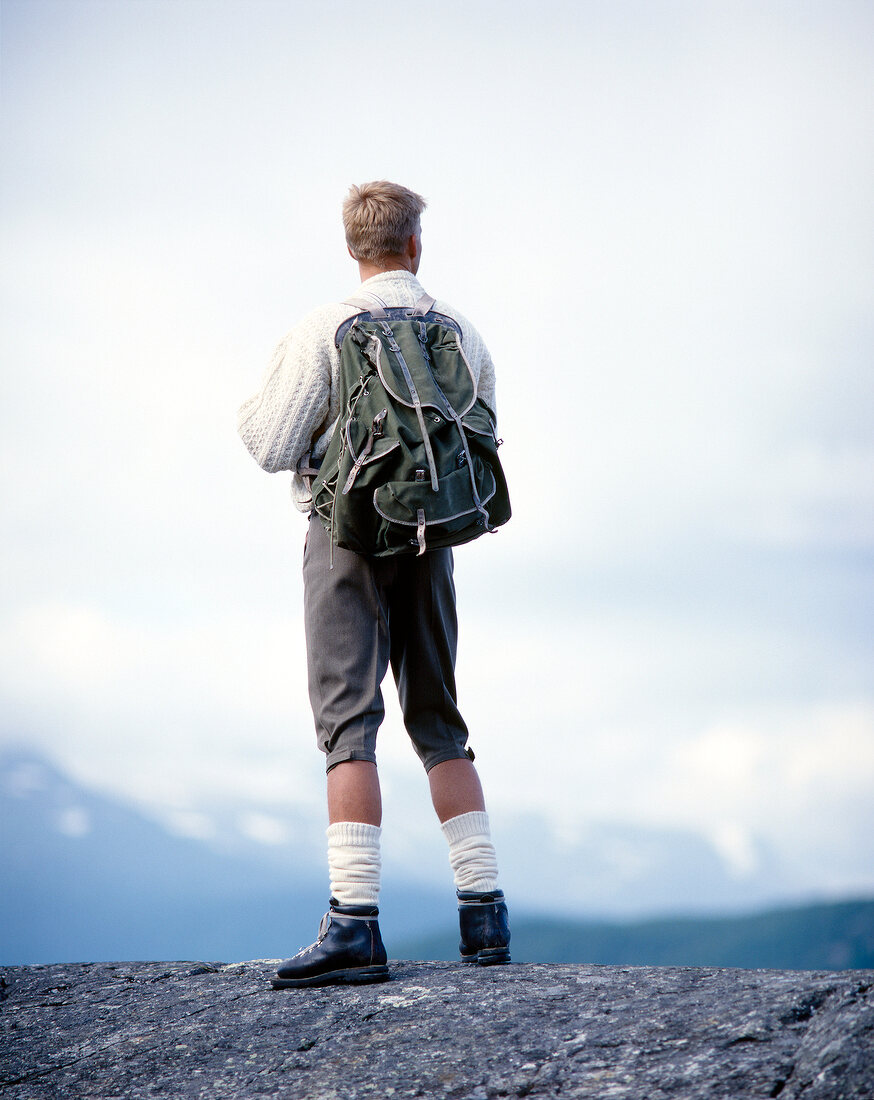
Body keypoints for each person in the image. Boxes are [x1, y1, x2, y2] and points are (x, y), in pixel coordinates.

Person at [238, 181, 510, 988]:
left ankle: (354, 924)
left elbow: (269, 442)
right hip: (431, 538)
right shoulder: (457, 328)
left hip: (344, 537)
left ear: (352, 248)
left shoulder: (324, 327)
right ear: (415, 246)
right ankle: (484, 912)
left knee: (349, 724)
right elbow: (485, 424)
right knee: (438, 717)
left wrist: (249, 406)